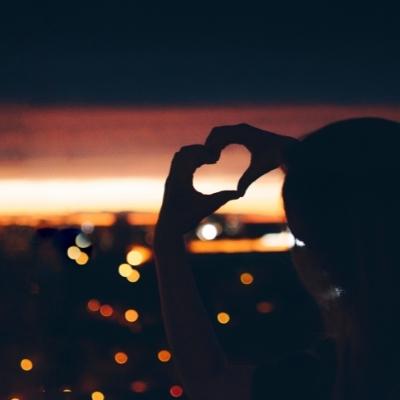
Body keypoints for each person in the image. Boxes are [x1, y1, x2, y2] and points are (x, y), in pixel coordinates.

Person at [154, 118, 400, 400]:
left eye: (306, 240)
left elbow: (212, 382)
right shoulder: (366, 361)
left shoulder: (356, 372)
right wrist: (303, 161)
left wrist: (167, 239)